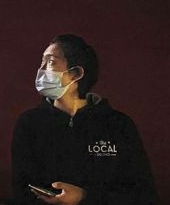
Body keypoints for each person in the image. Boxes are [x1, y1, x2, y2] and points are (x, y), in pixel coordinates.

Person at [11, 34, 158, 204]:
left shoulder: (119, 125)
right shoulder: (30, 123)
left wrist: (84, 197)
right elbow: (21, 191)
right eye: (41, 62)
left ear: (75, 73)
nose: (41, 70)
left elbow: (144, 194)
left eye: (50, 62)